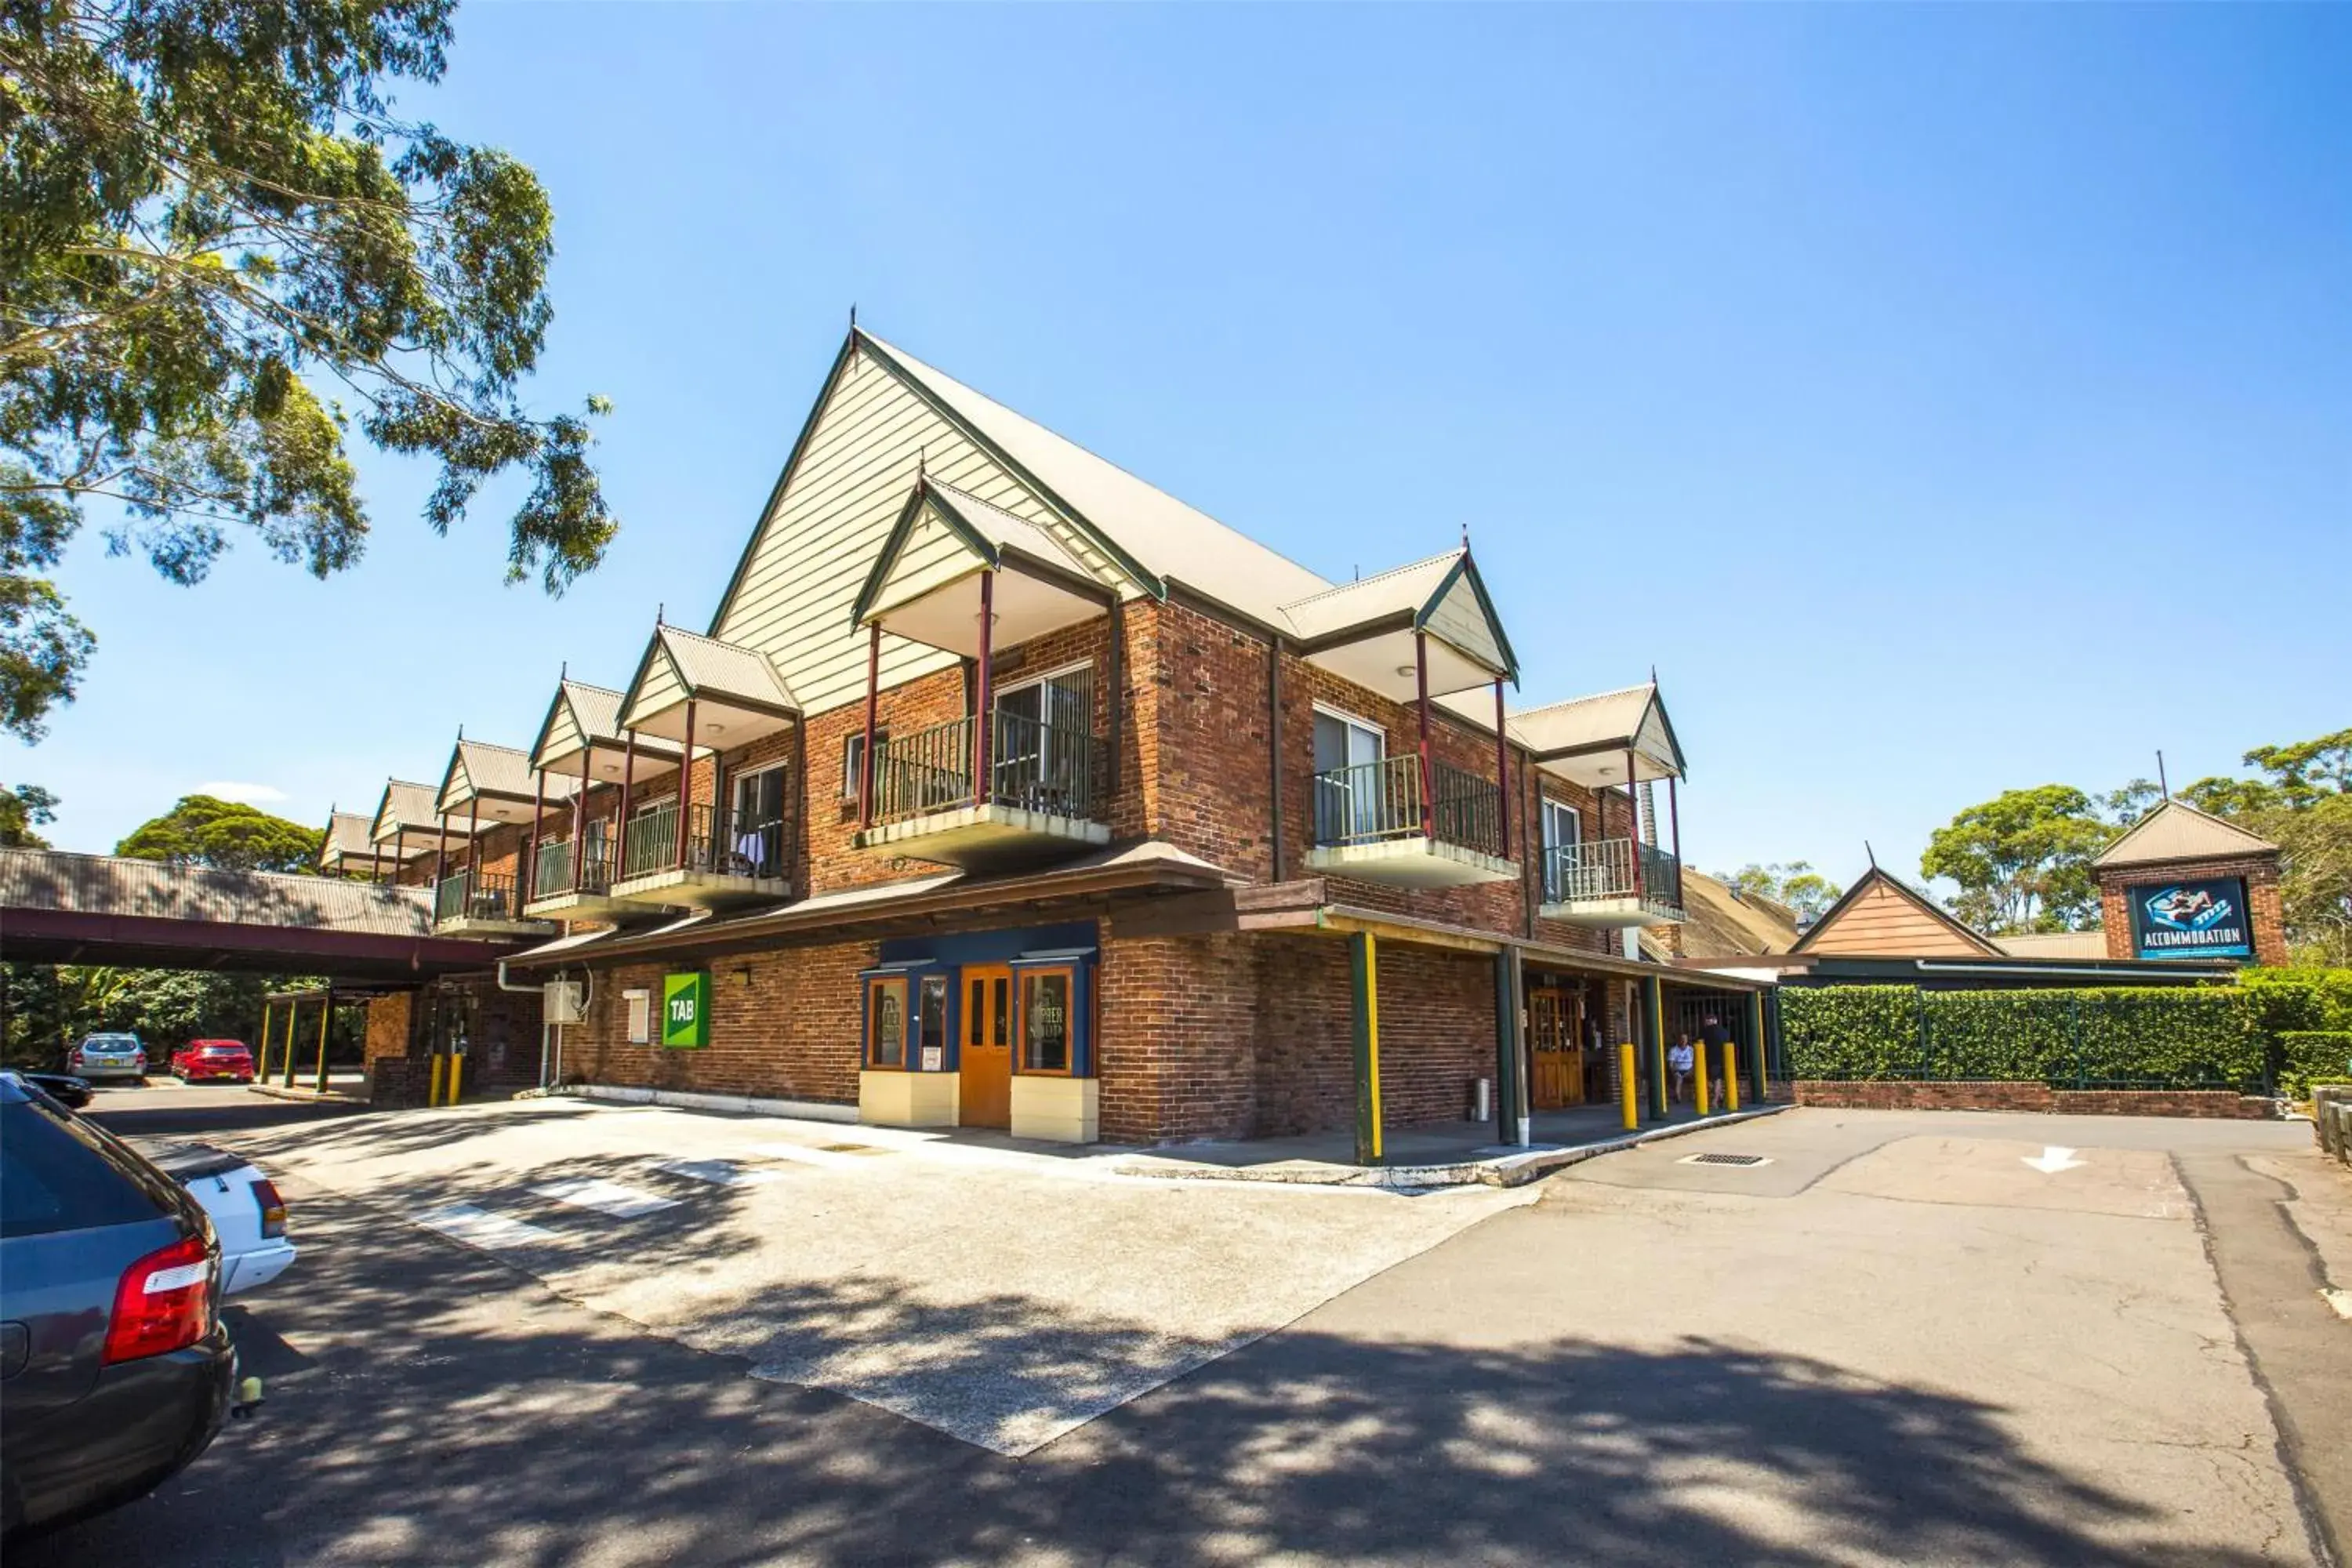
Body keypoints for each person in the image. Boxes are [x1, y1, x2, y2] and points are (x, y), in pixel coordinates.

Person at [1668, 1032, 1696, 1105]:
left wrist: (1691, 1071)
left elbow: (1695, 1063)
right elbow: (1671, 1065)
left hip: (1689, 1070)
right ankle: (1678, 1097)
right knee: (1679, 1078)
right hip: (1678, 1071)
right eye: (1682, 1039)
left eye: (1685, 1039)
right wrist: (1675, 1072)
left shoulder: (1691, 1050)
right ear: (1678, 1040)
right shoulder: (1673, 1050)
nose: (1683, 1040)